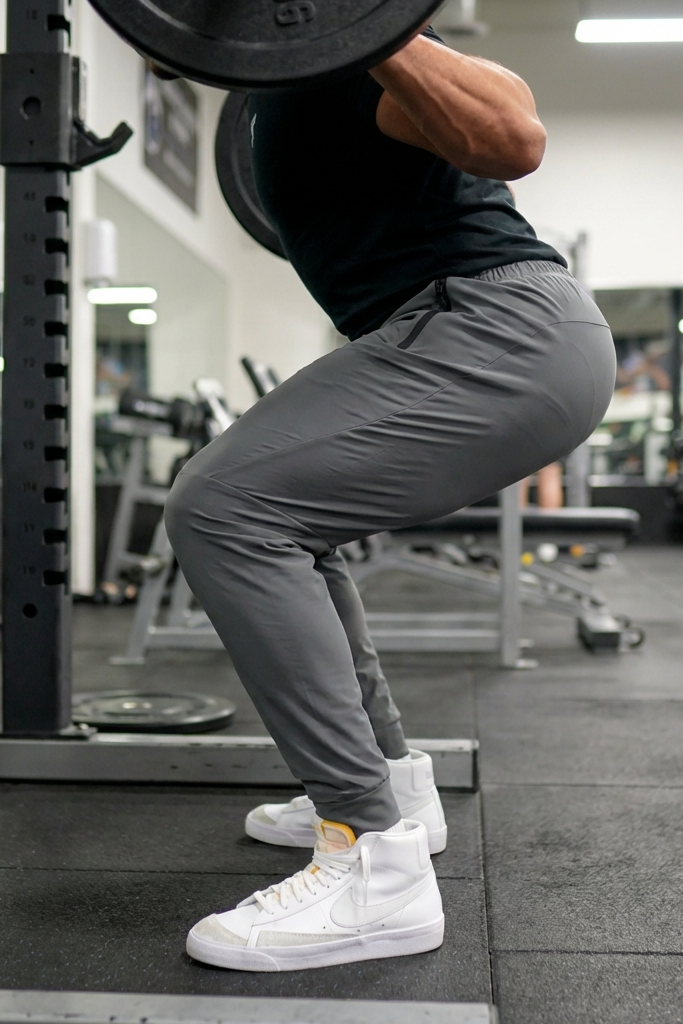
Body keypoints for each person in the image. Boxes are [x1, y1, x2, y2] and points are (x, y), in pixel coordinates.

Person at [164, 27, 616, 972]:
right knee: (280, 512)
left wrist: (369, 25)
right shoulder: (275, 86)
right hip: (440, 326)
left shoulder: (356, 50)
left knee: (221, 503)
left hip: (499, 319)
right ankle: (395, 790)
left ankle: (370, 858)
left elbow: (514, 136)